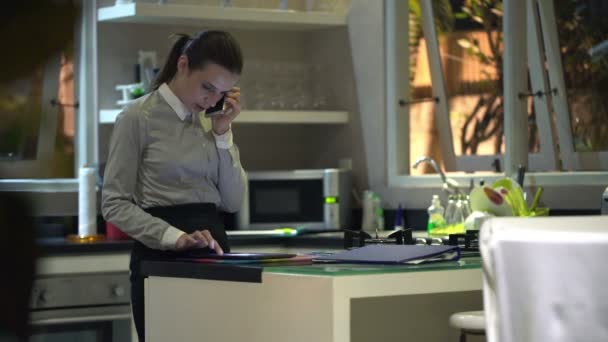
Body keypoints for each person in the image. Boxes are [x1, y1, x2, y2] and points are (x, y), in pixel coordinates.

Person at [101, 30, 246, 342]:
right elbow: (113, 203)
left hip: (216, 254)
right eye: (207, 87)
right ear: (183, 65)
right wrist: (176, 238)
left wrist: (223, 135)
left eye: (221, 93)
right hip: (161, 258)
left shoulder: (212, 121)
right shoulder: (137, 117)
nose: (211, 100)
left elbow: (233, 202)